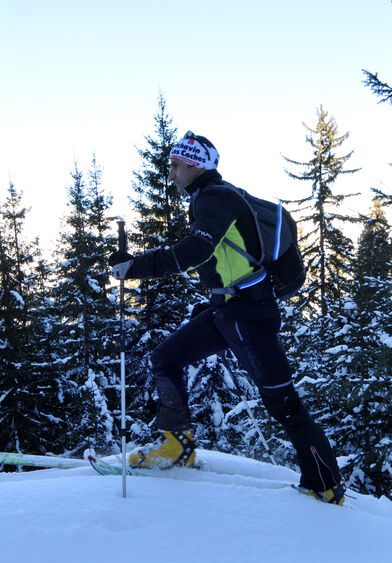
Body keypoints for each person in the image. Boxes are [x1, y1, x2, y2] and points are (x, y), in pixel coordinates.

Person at [108, 131, 345, 504]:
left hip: (250, 314)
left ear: (195, 165)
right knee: (166, 358)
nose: (170, 174)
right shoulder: (212, 197)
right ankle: (177, 446)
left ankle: (325, 486)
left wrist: (136, 266)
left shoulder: (216, 198)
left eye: (175, 166)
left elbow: (196, 251)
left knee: (282, 401)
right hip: (228, 309)